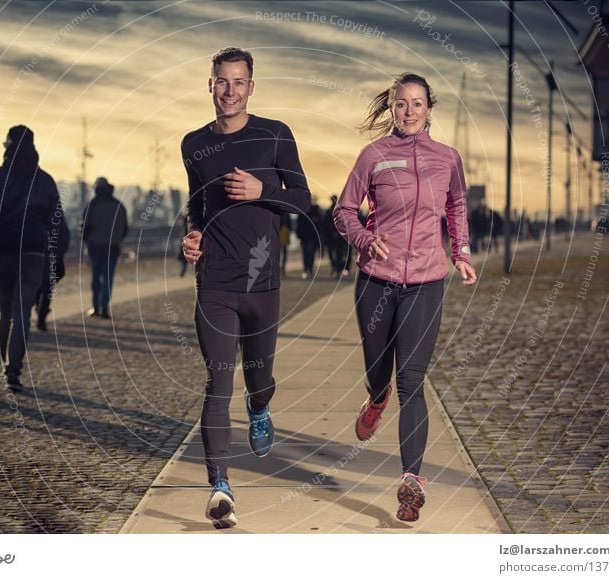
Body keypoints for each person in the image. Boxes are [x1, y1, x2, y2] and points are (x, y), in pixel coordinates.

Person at [333, 72, 477, 523]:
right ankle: (375, 399)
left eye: (417, 103)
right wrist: (362, 238)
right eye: (401, 104)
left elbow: (456, 207)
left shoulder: (447, 158)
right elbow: (343, 210)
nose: (409, 111)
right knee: (381, 375)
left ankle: (411, 479)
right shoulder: (373, 155)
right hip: (377, 280)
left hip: (427, 281)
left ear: (429, 108)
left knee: (412, 380)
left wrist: (461, 253)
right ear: (392, 108)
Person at [181, 47, 311, 528]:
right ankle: (220, 487)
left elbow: (303, 201)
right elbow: (198, 206)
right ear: (210, 84)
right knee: (218, 382)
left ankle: (260, 408)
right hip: (214, 280)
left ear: (251, 87)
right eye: (221, 81)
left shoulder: (274, 134)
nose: (229, 90)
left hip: (263, 283)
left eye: (238, 82)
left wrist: (264, 192)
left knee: (259, 379)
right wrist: (192, 237)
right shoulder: (193, 144)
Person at [0, 125, 61, 391]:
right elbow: (56, 224)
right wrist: (56, 259)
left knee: (4, 311)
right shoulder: (45, 181)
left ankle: (6, 365)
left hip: (5, 251)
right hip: (34, 251)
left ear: (8, 147)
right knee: (22, 311)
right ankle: (14, 369)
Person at [81, 177, 128, 318]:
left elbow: (86, 226)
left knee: (96, 278)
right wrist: (117, 239)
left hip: (95, 246)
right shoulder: (119, 205)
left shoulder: (93, 204)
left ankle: (96, 307)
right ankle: (105, 307)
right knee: (108, 278)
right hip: (113, 246)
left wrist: (87, 240)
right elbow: (124, 228)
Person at [35, 210, 70, 332]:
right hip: (52, 256)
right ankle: (42, 315)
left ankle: (38, 307)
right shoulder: (56, 212)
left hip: (35, 254)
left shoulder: (30, 208)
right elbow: (64, 235)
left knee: (36, 285)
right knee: (48, 286)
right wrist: (59, 254)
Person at [296, 203, 321, 279]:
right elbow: (299, 225)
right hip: (306, 237)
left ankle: (308, 268)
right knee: (306, 254)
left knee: (309, 254)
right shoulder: (302, 211)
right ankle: (307, 268)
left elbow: (318, 224)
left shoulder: (313, 211)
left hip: (310, 237)